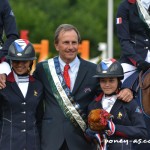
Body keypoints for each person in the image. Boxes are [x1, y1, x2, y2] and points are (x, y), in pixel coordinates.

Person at [0, 24, 133, 150]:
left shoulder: (93, 70)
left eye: (74, 42)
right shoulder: (43, 69)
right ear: (56, 45)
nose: (71, 47)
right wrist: (3, 73)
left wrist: (127, 90)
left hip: (81, 141)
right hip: (50, 140)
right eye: (66, 42)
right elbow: (23, 82)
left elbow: (109, 91)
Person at [86, 58, 148, 150]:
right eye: (103, 80)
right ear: (99, 82)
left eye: (111, 80)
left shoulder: (130, 103)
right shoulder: (93, 105)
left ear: (118, 80)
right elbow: (89, 135)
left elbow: (142, 132)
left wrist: (114, 128)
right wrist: (90, 131)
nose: (107, 84)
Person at [0, 39, 43, 150]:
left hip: (33, 144)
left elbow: (39, 119)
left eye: (24, 61)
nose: (19, 64)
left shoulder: (38, 85)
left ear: (31, 62)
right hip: (7, 144)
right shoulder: (2, 84)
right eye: (16, 61)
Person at [116, 0, 150, 82]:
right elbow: (124, 41)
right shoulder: (125, 6)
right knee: (119, 82)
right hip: (133, 58)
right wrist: (138, 61)